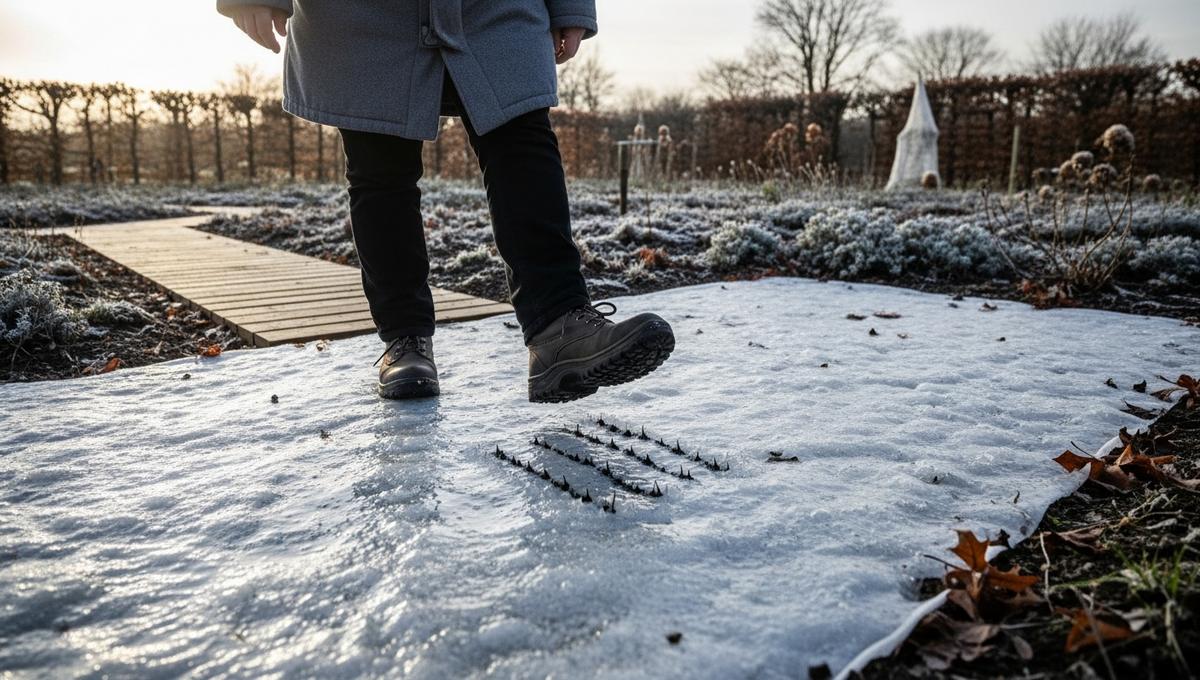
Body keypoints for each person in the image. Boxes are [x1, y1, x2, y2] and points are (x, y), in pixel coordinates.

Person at [218, 0, 675, 404]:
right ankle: (405, 341)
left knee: (525, 138)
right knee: (380, 166)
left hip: (495, 9)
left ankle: (559, 326)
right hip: (363, 14)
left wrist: (571, 5)